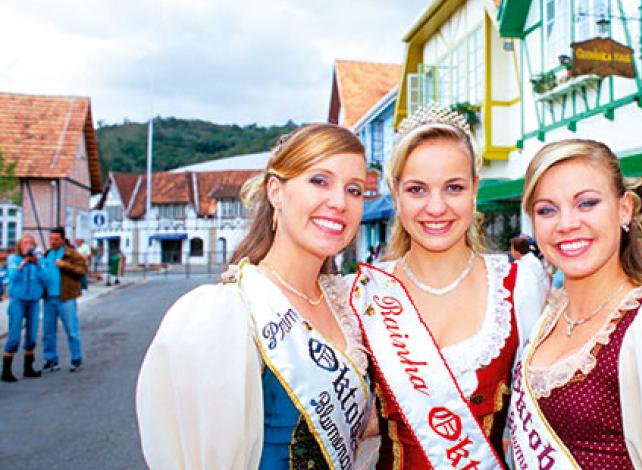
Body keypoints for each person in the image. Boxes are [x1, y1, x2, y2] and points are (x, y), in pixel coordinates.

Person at [136, 124, 379, 469]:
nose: (339, 202)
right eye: (319, 181)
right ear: (276, 192)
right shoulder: (228, 313)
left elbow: (347, 428)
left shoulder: (347, 305)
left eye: (354, 190)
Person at [506, 138, 642, 469]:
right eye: (547, 209)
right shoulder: (547, 318)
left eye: (587, 203)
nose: (566, 223)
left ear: (624, 209)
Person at [348, 105, 547, 469]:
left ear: (475, 190)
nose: (436, 207)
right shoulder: (362, 294)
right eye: (417, 189)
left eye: (453, 187)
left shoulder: (521, 287)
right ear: (395, 192)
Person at [41, 227, 87, 373]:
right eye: (51, 239)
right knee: (48, 331)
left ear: (62, 239)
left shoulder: (71, 254)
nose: (52, 242)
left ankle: (76, 358)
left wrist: (65, 265)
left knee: (71, 330)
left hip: (65, 297)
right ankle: (51, 359)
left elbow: (82, 270)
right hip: (49, 297)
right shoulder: (47, 254)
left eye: (55, 239)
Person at [2, 235, 45, 382]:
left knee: (32, 335)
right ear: (20, 245)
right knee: (14, 336)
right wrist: (24, 263)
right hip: (18, 300)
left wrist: (37, 264)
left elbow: (45, 278)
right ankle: (6, 371)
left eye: (31, 243)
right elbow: (12, 277)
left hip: (33, 300)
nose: (28, 245)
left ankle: (28, 368)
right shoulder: (13, 259)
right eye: (25, 243)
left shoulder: (39, 260)